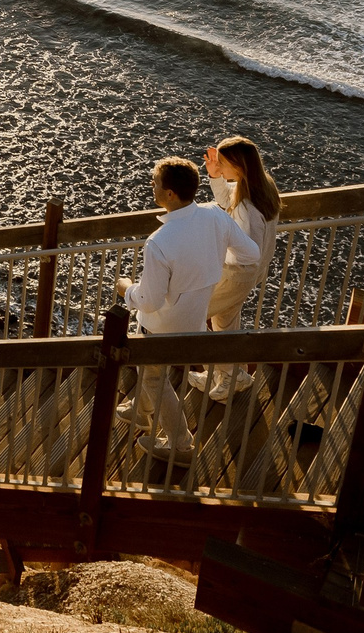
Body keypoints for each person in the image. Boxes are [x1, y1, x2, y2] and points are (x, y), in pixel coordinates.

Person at [117, 157, 263, 456]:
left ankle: (180, 445)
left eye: (155, 183)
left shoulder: (159, 242)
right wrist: (210, 264)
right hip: (194, 322)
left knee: (155, 378)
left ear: (170, 194)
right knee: (152, 373)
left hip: (159, 327)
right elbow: (251, 253)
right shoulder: (216, 216)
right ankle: (140, 411)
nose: (152, 187)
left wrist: (126, 290)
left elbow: (151, 300)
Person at [193, 136, 283, 400]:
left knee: (192, 318)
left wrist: (213, 251)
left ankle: (232, 376)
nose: (219, 165)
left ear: (240, 167)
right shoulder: (261, 187)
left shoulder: (247, 206)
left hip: (237, 274)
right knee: (225, 323)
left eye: (222, 162)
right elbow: (226, 199)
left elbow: (246, 252)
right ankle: (228, 376)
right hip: (249, 274)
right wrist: (215, 175)